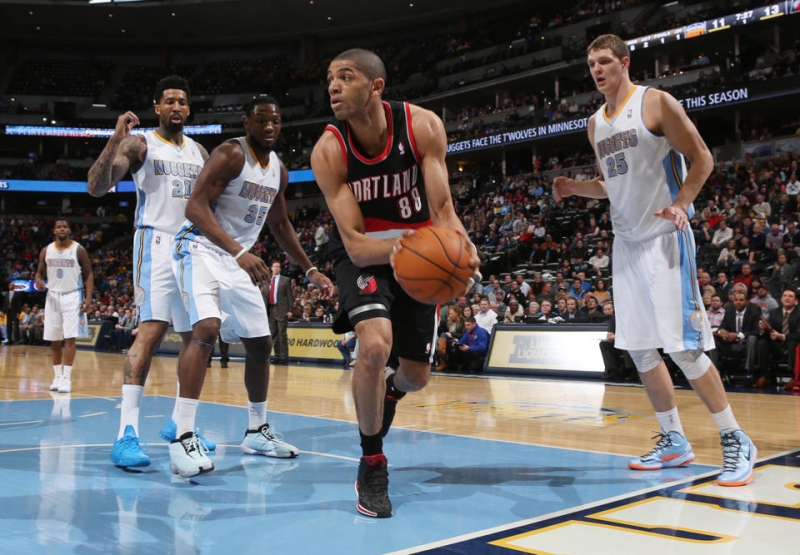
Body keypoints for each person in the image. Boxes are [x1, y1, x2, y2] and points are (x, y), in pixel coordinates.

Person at [553, 34, 756, 487]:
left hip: (666, 237)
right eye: (591, 64)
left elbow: (702, 158)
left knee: (683, 347)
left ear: (625, 62)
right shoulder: (595, 124)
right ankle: (674, 440)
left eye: (605, 61)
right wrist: (575, 188)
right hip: (625, 244)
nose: (597, 69)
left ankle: (736, 438)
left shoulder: (655, 103)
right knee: (641, 349)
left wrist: (682, 204)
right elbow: (610, 185)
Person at [310, 48, 479, 518]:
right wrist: (414, 246)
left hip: (419, 250)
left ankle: (392, 391)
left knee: (417, 377)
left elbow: (442, 210)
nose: (333, 86)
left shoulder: (422, 126)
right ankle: (372, 462)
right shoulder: (329, 150)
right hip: (366, 255)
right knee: (374, 345)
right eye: (330, 78)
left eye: (346, 77)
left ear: (376, 86)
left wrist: (461, 249)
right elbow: (356, 245)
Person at [170, 95, 333, 477]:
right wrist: (239, 251)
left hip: (235, 256)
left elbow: (280, 224)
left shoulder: (278, 170)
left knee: (261, 343)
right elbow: (195, 207)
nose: (270, 126)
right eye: (262, 120)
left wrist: (310, 269)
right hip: (199, 246)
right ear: (247, 123)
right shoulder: (230, 154)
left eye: (275, 120)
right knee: (206, 328)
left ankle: (257, 430)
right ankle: (182, 437)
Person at [88, 75, 215, 469]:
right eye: (169, 101)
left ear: (188, 110)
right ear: (157, 107)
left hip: (192, 247)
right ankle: (126, 433)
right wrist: (115, 139)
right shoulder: (140, 144)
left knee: (199, 335)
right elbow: (96, 187)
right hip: (155, 242)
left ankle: (180, 423)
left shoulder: (200, 151)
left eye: (182, 101)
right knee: (152, 331)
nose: (176, 107)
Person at [34, 220, 94, 393]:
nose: (62, 229)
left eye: (65, 227)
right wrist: (38, 280)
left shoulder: (78, 249)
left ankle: (67, 378)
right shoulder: (46, 250)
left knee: (70, 337)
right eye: (59, 227)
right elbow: (39, 272)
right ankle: (57, 376)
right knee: (54, 339)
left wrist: (88, 297)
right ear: (54, 231)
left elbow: (89, 274)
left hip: (72, 295)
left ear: (69, 230)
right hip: (52, 295)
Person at [754, 288, 800, 388]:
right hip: (777, 344)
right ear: (781, 299)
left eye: (790, 296)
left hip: (792, 343)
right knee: (763, 343)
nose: (787, 298)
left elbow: (798, 334)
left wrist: (783, 336)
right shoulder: (774, 312)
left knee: (793, 344)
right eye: (785, 296)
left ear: (796, 300)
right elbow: (769, 331)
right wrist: (763, 329)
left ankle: (793, 378)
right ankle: (765, 376)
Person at [264, 260, 293, 364]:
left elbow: (290, 296)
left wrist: (290, 310)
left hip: (282, 309)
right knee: (274, 335)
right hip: (271, 309)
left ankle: (284, 357)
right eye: (275, 266)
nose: (276, 268)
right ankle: (277, 356)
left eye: (278, 267)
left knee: (282, 334)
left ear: (280, 269)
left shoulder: (285, 280)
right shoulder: (267, 280)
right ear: (271, 268)